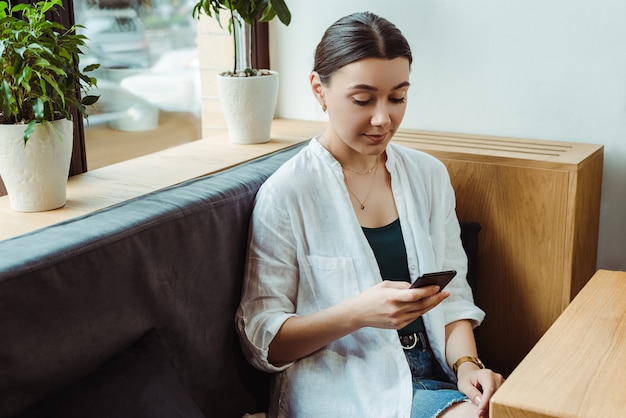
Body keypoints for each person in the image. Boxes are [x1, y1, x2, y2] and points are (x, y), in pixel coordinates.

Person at [236, 11, 504, 418]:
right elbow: (263, 342)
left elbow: (452, 297)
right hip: (346, 389)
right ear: (319, 90)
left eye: (398, 97)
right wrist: (356, 314)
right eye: (363, 100)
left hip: (435, 375)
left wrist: (468, 366)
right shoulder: (287, 194)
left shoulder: (428, 176)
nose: (383, 118)